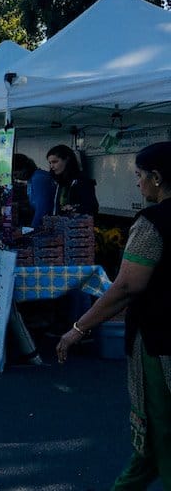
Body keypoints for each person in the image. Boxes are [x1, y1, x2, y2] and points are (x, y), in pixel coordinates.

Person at [56, 141, 171, 489]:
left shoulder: (153, 222)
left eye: (139, 177)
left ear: (157, 177)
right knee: (151, 448)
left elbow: (125, 287)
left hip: (160, 342)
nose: (137, 183)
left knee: (160, 435)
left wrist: (78, 328)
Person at [47, 144, 99, 216]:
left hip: (75, 225)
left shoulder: (82, 182)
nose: (51, 166)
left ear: (67, 160)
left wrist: (74, 208)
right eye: (50, 163)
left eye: (55, 162)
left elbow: (92, 208)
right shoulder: (56, 182)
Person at [13, 153, 55, 229]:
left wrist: (31, 229)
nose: (16, 178)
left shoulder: (38, 178)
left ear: (24, 169)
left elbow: (42, 210)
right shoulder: (32, 179)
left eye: (16, 175)